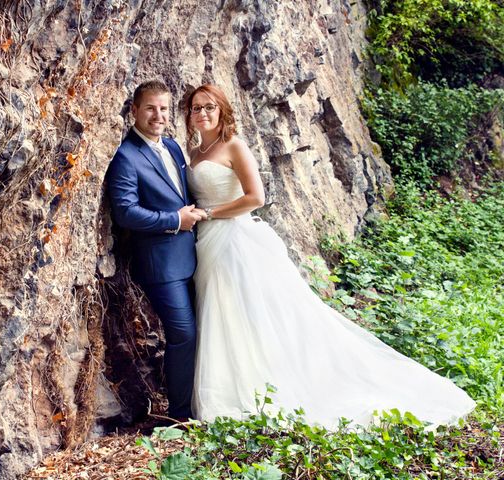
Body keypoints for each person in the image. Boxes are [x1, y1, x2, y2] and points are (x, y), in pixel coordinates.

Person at [184, 83, 476, 429]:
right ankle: (228, 384)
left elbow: (256, 197)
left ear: (222, 112)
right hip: (206, 240)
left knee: (249, 313)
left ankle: (266, 387)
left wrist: (212, 213)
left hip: (235, 239)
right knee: (222, 312)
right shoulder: (197, 151)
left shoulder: (234, 146)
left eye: (209, 107)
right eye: (196, 108)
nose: (202, 113)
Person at [106, 80, 204, 420]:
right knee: (183, 335)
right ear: (134, 110)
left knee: (205, 331)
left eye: (163, 108)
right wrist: (175, 220)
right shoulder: (125, 157)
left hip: (194, 257)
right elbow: (125, 211)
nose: (157, 115)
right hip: (160, 266)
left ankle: (200, 402)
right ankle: (179, 415)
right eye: (150, 108)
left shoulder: (174, 147)